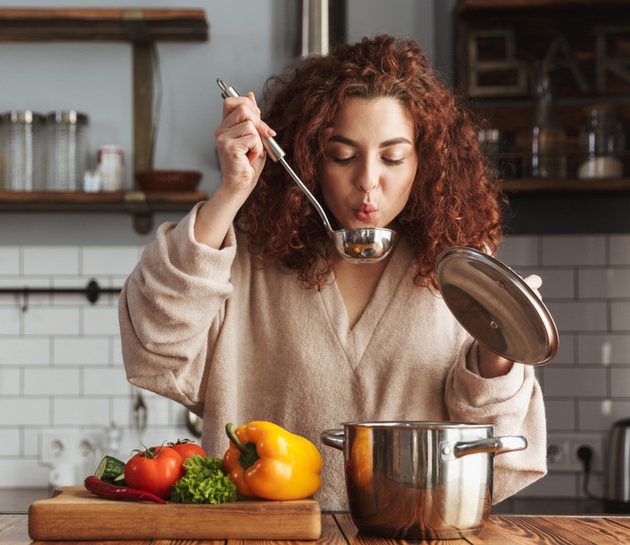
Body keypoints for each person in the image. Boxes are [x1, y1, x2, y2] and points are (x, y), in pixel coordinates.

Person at [119, 34, 547, 511]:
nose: (368, 180)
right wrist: (231, 192)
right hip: (263, 540)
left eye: (392, 157)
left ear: (424, 163)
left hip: (412, 537)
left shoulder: (462, 274)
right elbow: (155, 346)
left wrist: (499, 350)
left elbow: (497, 449)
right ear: (309, 158)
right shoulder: (245, 263)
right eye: (343, 155)